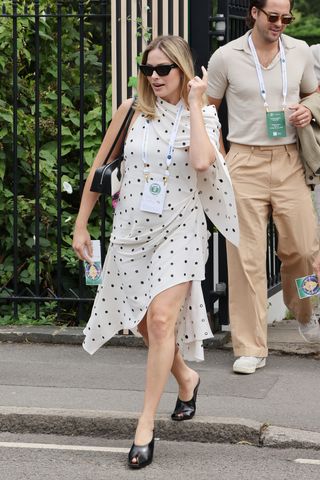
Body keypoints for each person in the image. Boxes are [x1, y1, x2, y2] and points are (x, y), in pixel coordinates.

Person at [73, 35, 239, 469]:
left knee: (163, 320)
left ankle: (144, 424)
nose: (155, 77)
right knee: (144, 322)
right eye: (149, 69)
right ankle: (186, 377)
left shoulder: (203, 116)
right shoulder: (130, 112)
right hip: (132, 229)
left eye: (165, 69)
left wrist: (199, 105)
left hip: (181, 229)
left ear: (184, 70)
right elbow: (100, 167)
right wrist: (81, 224)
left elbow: (204, 162)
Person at [207, 0, 320, 375]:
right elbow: (208, 109)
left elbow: (315, 92)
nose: (280, 24)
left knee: (304, 249)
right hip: (244, 162)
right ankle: (251, 346)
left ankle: (304, 310)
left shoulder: (299, 51)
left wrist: (310, 109)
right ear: (253, 13)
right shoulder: (226, 57)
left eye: (286, 18)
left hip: (289, 161)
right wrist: (221, 157)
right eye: (273, 16)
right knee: (245, 259)